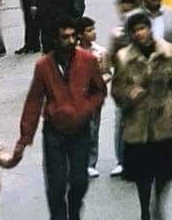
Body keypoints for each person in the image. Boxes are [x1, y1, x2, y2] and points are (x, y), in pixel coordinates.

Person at [14, 16, 107, 220]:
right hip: (54, 131)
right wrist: (24, 137)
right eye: (65, 37)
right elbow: (34, 101)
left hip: (80, 129)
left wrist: (87, 108)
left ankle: (74, 211)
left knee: (79, 181)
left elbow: (99, 91)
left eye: (74, 36)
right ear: (56, 40)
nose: (71, 41)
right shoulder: (44, 66)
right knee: (56, 185)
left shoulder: (88, 61)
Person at [111, 11, 172, 220]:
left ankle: (158, 203)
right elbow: (117, 90)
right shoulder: (123, 58)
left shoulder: (169, 52)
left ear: (149, 29)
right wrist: (130, 94)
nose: (139, 34)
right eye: (135, 30)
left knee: (165, 171)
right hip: (137, 124)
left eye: (142, 28)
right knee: (142, 174)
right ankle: (145, 209)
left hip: (165, 121)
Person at [75, 17, 111, 179]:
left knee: (93, 128)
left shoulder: (101, 53)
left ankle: (90, 162)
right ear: (80, 35)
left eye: (93, 29)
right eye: (89, 30)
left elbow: (107, 73)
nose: (93, 33)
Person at [108, 0, 138, 178]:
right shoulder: (118, 35)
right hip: (124, 84)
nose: (125, 16)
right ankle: (121, 160)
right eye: (123, 12)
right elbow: (112, 59)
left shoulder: (145, 31)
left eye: (129, 12)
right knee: (121, 121)